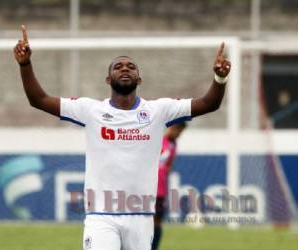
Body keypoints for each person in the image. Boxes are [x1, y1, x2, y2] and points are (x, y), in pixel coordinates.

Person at [14, 25, 231, 250]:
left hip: (141, 216)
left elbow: (208, 103)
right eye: (118, 67)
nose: (125, 69)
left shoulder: (159, 111)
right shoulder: (90, 110)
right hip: (101, 215)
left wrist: (219, 78)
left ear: (139, 79)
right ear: (108, 79)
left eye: (131, 67)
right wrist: (25, 64)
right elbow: (38, 99)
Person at [152, 122, 187, 250]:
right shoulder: (158, 141)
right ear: (172, 127)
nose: (179, 134)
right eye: (179, 131)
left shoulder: (173, 145)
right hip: (149, 189)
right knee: (145, 221)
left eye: (181, 132)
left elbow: (168, 167)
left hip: (160, 190)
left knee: (157, 221)